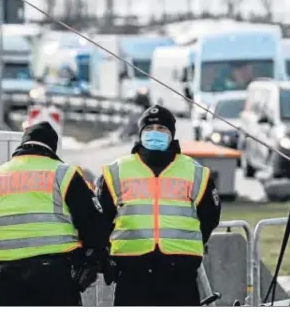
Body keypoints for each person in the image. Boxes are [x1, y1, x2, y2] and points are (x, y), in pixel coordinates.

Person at [0, 121, 108, 306]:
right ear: (52, 147)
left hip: (7, 278)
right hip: (56, 276)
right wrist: (91, 264)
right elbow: (93, 225)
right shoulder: (63, 174)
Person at [95, 104, 222, 306]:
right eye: (149, 129)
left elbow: (210, 217)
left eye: (162, 129)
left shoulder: (195, 172)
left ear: (172, 134)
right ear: (140, 133)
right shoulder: (116, 171)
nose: (155, 133)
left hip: (180, 274)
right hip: (132, 273)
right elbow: (99, 220)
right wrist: (107, 257)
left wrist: (187, 245)